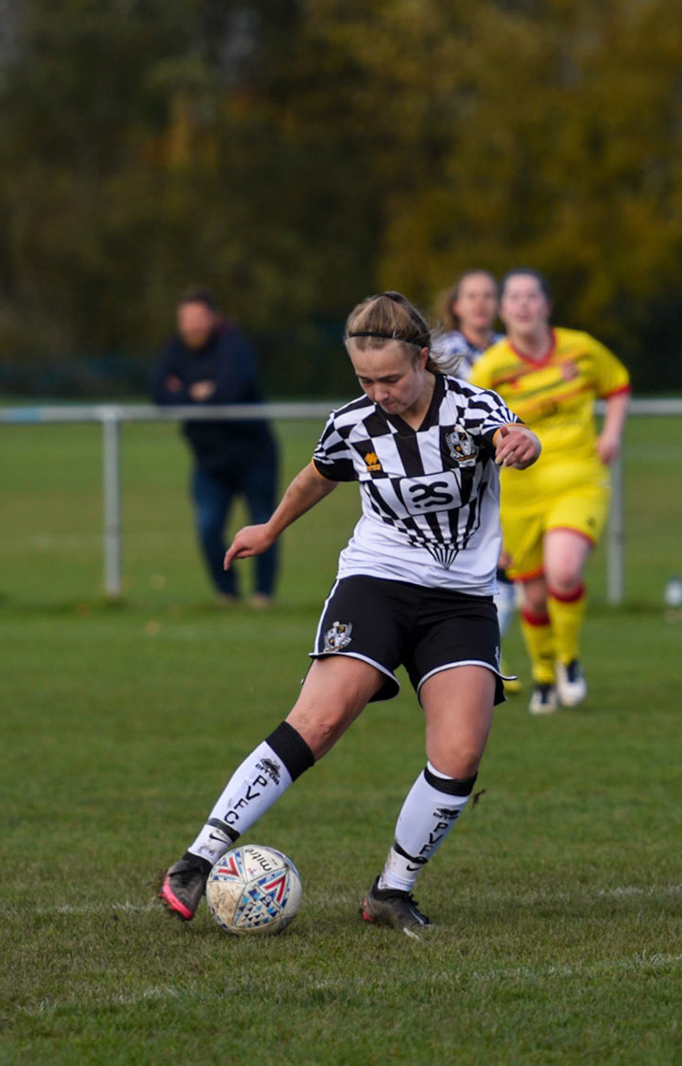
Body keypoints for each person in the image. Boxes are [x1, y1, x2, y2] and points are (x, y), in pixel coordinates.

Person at [156, 291, 540, 933]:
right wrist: (271, 527)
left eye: (391, 378)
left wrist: (522, 441)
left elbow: (509, 432)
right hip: (377, 581)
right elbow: (317, 474)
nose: (380, 392)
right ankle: (196, 860)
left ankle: (391, 892)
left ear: (423, 358)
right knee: (320, 719)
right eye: (366, 380)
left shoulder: (471, 406)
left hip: (461, 599)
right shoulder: (352, 423)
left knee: (461, 752)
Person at [467, 269, 630, 714]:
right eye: (513, 298)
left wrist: (611, 432)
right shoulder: (492, 366)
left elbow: (617, 384)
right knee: (533, 595)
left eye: (531, 296)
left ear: (546, 305)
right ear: (503, 311)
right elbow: (471, 423)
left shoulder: (581, 347)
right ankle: (543, 673)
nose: (522, 305)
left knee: (564, 570)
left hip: (579, 478)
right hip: (519, 495)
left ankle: (569, 660)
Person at [151, 289, 280, 607]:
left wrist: (188, 391)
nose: (192, 326)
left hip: (254, 456)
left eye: (198, 318)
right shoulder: (175, 349)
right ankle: (227, 594)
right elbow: (157, 392)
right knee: (207, 528)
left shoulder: (234, 344)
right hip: (209, 461)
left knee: (266, 524)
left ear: (213, 317)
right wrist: (199, 392)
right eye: (185, 319)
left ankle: (262, 594)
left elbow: (232, 389)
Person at [432, 268, 519, 688]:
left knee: (515, 565)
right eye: (472, 296)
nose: (481, 303)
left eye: (488, 295)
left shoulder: (513, 349)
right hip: (462, 473)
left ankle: (492, 661)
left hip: (512, 467)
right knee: (476, 564)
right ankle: (473, 661)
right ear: (456, 305)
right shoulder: (441, 352)